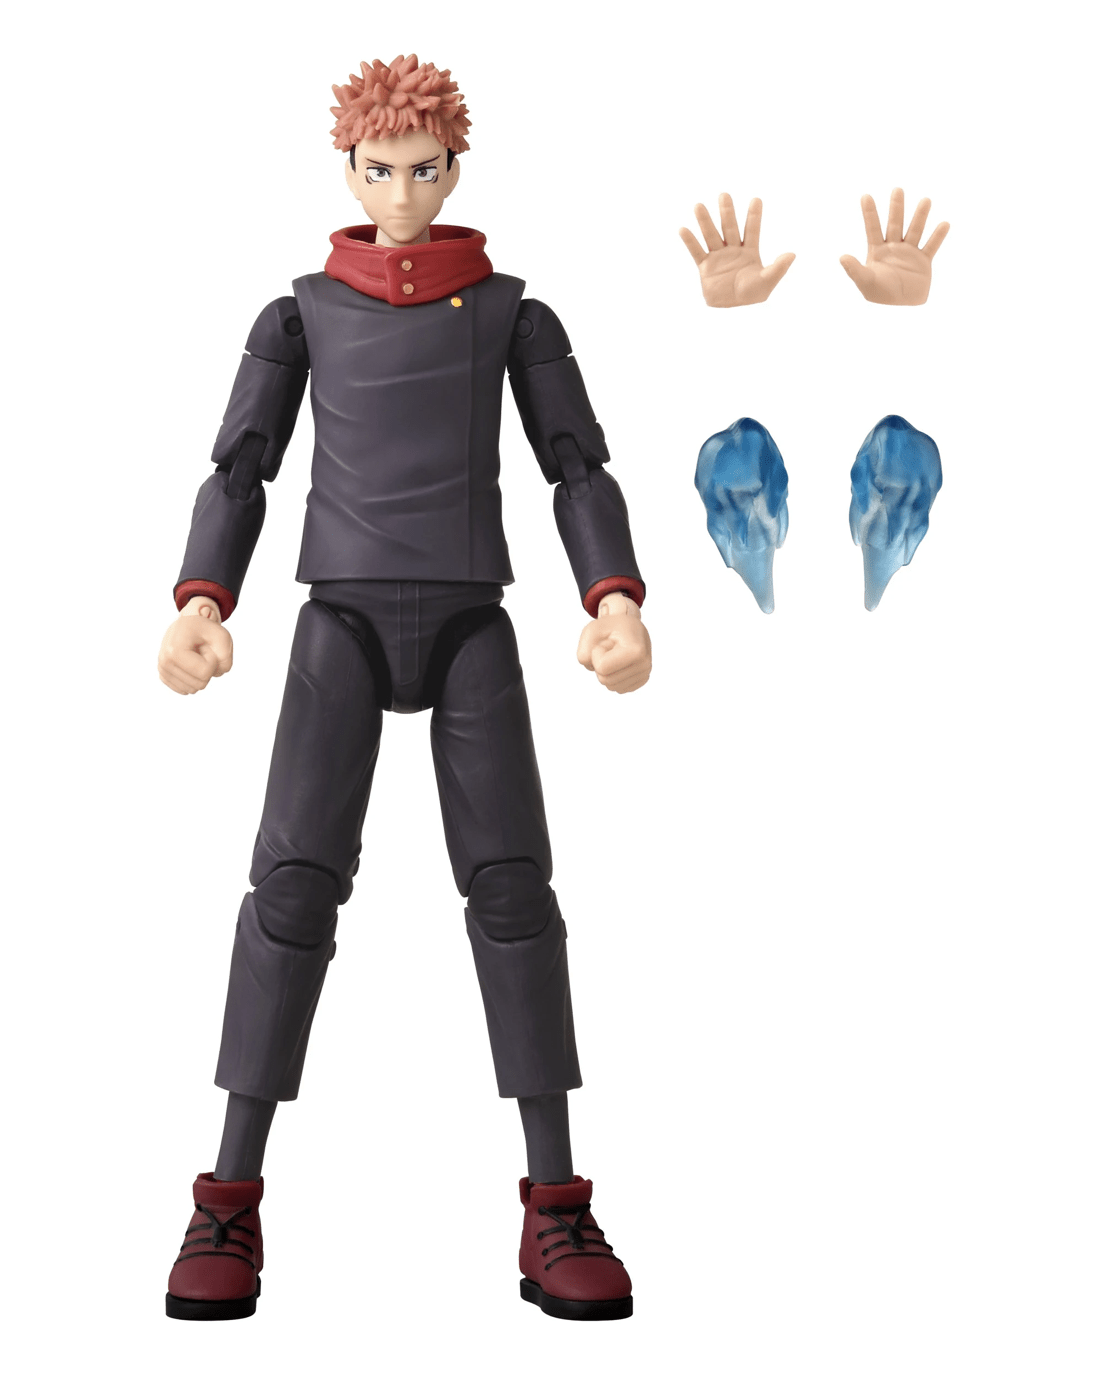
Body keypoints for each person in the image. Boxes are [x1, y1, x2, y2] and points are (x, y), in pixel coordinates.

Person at [160, 54, 650, 1324]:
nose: (400, 194)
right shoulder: (302, 315)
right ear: (347, 171)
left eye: (422, 170)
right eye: (378, 171)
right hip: (340, 619)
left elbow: (575, 466)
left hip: (471, 619)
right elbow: (241, 468)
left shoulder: (511, 314)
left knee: (514, 892)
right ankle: (227, 1194)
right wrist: (202, 599)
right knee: (290, 889)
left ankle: (554, 1200)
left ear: (453, 170)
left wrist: (612, 596)